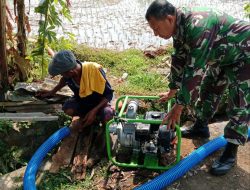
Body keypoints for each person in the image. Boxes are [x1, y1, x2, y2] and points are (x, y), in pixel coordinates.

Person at [146, 0, 250, 176]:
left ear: (169, 19)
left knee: (239, 101)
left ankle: (230, 152)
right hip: (221, 54)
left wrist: (178, 107)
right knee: (209, 89)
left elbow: (194, 72)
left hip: (244, 55)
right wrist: (173, 89)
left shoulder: (198, 26)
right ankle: (201, 126)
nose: (155, 34)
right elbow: (179, 58)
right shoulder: (179, 27)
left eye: (156, 28)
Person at [37, 50, 115, 166]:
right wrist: (52, 92)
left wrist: (94, 111)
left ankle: (101, 138)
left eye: (63, 74)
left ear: (71, 71)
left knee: (108, 115)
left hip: (100, 104)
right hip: (83, 102)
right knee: (68, 109)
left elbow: (108, 95)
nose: (62, 76)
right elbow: (63, 80)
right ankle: (88, 120)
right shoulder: (69, 75)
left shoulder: (93, 70)